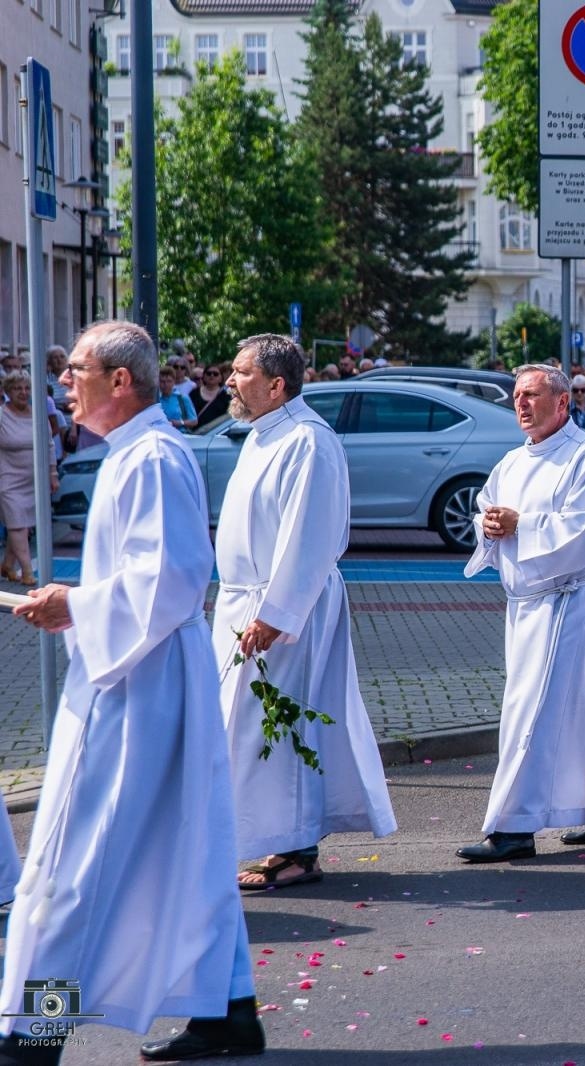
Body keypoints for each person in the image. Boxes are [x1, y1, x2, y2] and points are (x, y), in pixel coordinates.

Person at [3, 321, 264, 1064]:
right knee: (184, 852)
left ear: (122, 381)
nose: (62, 383)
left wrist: (75, 605)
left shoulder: (149, 457)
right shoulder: (137, 454)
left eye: (76, 370)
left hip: (132, 685)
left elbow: (172, 577)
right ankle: (228, 1010)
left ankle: (36, 1030)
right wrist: (79, 602)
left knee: (72, 861)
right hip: (147, 674)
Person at [214, 334, 398, 891]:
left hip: (287, 611)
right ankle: (271, 841)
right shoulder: (263, 435)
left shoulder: (309, 441)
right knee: (246, 731)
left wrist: (275, 614)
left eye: (241, 373)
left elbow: (309, 536)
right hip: (246, 603)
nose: (229, 381)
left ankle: (296, 849)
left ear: (276, 384)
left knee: (281, 726)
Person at [457, 364, 585, 862]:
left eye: (532, 395)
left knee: (532, 712)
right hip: (524, 606)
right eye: (517, 396)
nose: (521, 404)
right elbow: (485, 507)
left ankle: (514, 827)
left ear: (563, 404)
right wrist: (491, 523)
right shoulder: (513, 461)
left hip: (567, 599)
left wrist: (523, 525)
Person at [0, 372, 56, 586]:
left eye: (26, 388)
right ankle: (26, 571)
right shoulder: (2, 416)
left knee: (24, 524)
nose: (23, 393)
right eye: (17, 389)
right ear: (7, 392)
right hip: (8, 479)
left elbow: (49, 445)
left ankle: (6, 564)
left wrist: (52, 474)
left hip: (33, 479)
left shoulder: (38, 415)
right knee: (17, 525)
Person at [157, 365, 198, 431]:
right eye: (162, 382)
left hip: (180, 434)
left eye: (169, 381)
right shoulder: (155, 399)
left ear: (174, 382)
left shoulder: (182, 398)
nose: (166, 385)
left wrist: (180, 423)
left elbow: (194, 421)